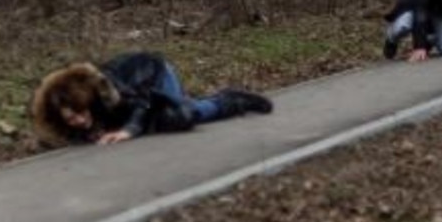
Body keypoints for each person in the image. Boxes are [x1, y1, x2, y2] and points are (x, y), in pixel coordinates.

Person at [32, 52, 273, 146]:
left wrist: (129, 131)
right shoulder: (64, 118)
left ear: (87, 102)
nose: (78, 120)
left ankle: (231, 99)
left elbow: (140, 102)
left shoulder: (106, 88)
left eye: (80, 113)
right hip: (139, 95)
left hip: (153, 75)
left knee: (184, 115)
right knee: (163, 121)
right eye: (71, 119)